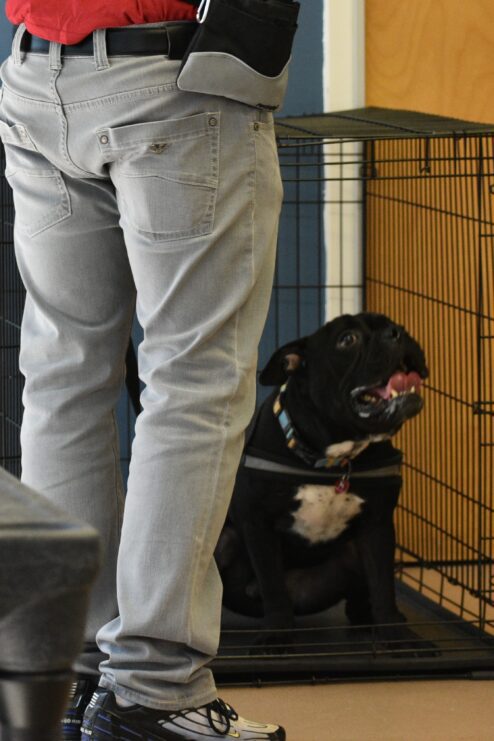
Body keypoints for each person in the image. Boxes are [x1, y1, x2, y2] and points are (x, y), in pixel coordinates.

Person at [0, 1, 286, 738]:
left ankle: (74, 669)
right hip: (173, 77)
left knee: (63, 378)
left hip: (40, 73)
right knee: (196, 380)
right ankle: (154, 688)